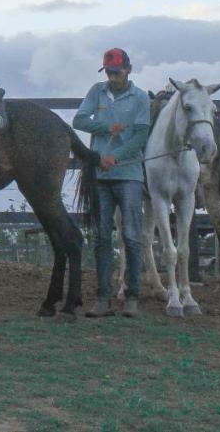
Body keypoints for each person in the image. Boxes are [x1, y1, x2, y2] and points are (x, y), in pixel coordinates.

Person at [73, 47, 152, 317]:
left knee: (131, 236)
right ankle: (103, 297)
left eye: (117, 72)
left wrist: (114, 157)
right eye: (109, 72)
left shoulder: (140, 98)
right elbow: (79, 120)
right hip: (101, 177)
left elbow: (141, 137)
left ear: (128, 70)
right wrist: (105, 128)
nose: (113, 77)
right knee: (101, 236)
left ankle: (132, 295)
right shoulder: (97, 91)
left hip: (128, 174)